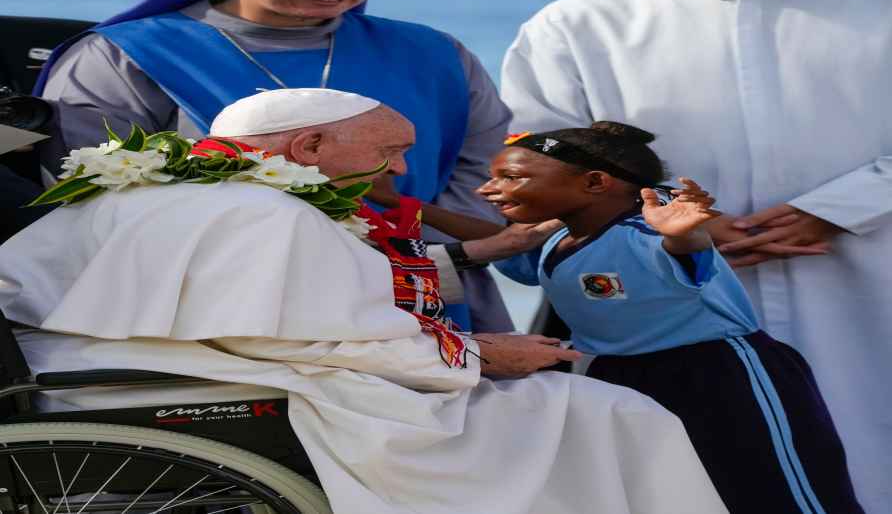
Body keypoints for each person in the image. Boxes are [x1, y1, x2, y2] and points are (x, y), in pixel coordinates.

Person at [0, 89, 728, 514]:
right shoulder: (266, 212)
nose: (403, 169)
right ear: (311, 144)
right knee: (608, 411)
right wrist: (480, 355)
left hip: (102, 378)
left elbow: (291, 313)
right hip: (204, 388)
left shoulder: (151, 188)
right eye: (391, 150)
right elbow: (305, 341)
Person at [500, 0, 892, 509]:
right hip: (662, 297)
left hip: (871, 267)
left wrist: (842, 207)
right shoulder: (575, 27)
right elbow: (534, 161)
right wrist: (675, 218)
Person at [33, 0, 510, 334]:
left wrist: (433, 253)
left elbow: (484, 165)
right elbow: (91, 181)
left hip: (428, 277)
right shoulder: (124, 55)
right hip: (227, 291)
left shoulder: (432, 53)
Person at [471, 124, 860, 513]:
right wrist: (417, 213)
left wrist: (685, 235)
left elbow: (680, 250)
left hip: (717, 373)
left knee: (771, 490)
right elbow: (499, 245)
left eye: (511, 177)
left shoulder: (646, 233)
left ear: (593, 182)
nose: (487, 189)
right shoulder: (558, 240)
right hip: (620, 377)